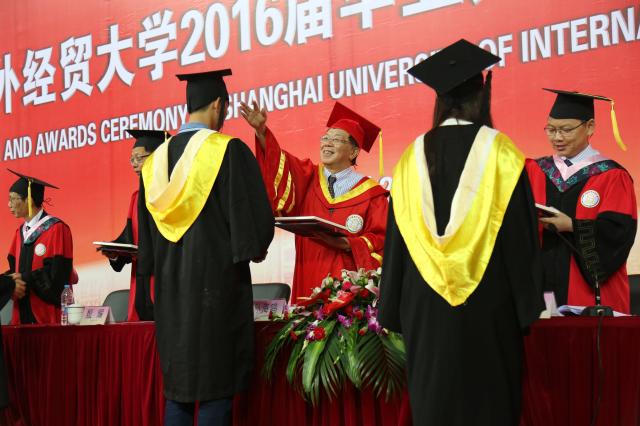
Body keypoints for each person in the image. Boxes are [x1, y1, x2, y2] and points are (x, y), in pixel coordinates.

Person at [377, 39, 544, 425]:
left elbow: (396, 243)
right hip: (490, 304)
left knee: (435, 404)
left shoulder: (411, 158)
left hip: (425, 308)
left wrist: (393, 308)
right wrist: (526, 306)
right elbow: (519, 237)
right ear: (480, 97)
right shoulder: (501, 152)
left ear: (440, 100)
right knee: (490, 404)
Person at [136, 69, 274, 426]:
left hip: (171, 296)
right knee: (216, 388)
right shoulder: (227, 151)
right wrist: (252, 247)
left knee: (178, 392)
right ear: (218, 105)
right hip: (217, 291)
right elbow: (253, 227)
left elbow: (146, 248)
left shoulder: (154, 164)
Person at [239, 101, 388, 301]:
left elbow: (383, 241)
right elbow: (276, 163)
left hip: (349, 289)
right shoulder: (308, 177)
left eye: (336, 139)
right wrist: (262, 131)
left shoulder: (372, 195)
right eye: (325, 137)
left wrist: (348, 243)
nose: (327, 143)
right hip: (310, 276)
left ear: (353, 152)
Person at [525, 89, 637, 313]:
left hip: (587, 293)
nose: (557, 137)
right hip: (541, 291)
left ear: (590, 127)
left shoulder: (612, 176)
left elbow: (618, 234)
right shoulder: (533, 171)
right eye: (551, 129)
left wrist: (572, 226)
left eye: (566, 130)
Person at [102, 129, 166, 321]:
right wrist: (114, 253)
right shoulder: (136, 198)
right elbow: (129, 237)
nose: (134, 164)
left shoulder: (170, 194)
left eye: (139, 158)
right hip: (140, 278)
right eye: (132, 159)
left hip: (164, 275)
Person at [5, 170, 76, 324]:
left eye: (13, 199)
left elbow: (59, 274)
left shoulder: (57, 229)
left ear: (29, 200)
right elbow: (13, 269)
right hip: (21, 314)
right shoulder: (19, 233)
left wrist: (24, 278)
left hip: (46, 313)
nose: (9, 204)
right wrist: (8, 283)